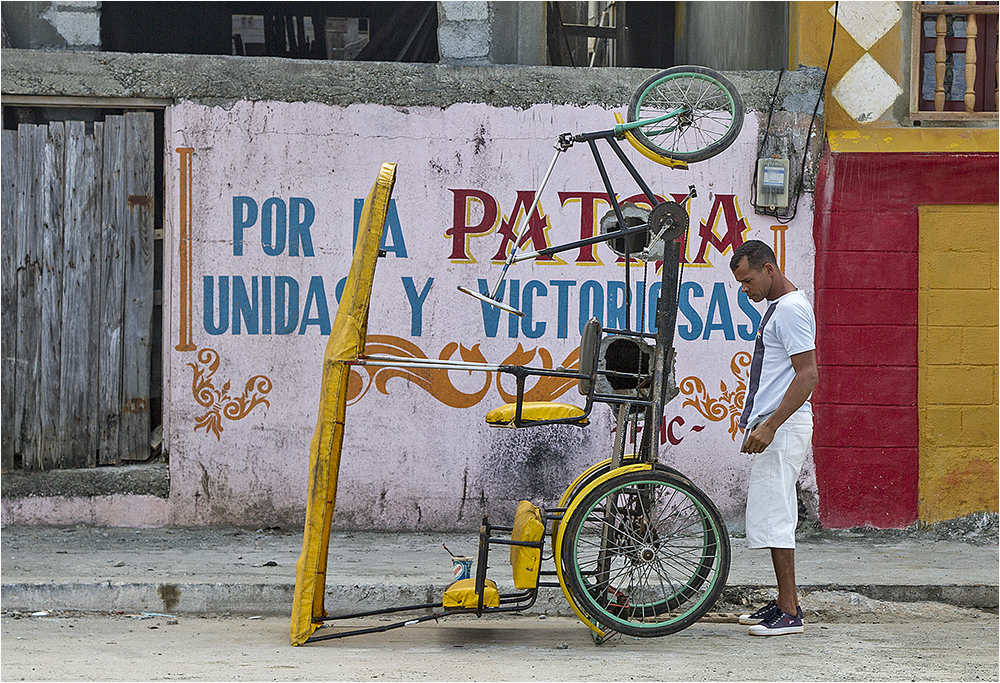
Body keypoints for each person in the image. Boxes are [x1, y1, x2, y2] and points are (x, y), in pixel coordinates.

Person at [729, 240, 818, 636]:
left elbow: (808, 375)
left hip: (784, 426)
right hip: (776, 424)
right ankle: (785, 602)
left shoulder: (792, 310)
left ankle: (789, 613)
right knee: (769, 515)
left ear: (769, 269)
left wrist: (771, 426)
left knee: (777, 517)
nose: (744, 290)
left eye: (747, 281)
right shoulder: (779, 308)